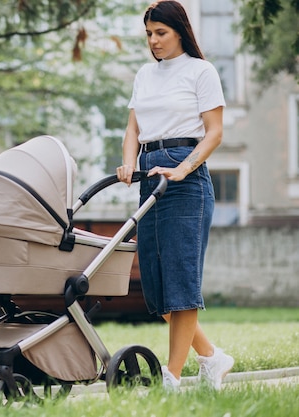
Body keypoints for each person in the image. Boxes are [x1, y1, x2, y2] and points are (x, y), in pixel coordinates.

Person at [116, 0, 234, 391]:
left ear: (180, 31)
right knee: (158, 287)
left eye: (160, 33)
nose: (153, 41)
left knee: (181, 281)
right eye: (149, 34)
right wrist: (128, 163)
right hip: (151, 174)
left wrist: (183, 168)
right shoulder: (145, 75)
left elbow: (214, 132)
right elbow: (132, 129)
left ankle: (172, 377)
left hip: (187, 174)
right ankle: (213, 358)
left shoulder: (201, 71)